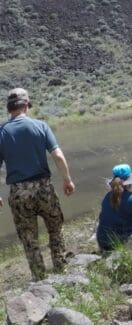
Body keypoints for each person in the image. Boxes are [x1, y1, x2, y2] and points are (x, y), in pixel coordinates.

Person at [0, 87, 75, 280]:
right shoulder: (40, 126)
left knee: (29, 239)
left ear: (9, 108)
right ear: (26, 105)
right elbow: (57, 155)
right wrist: (67, 180)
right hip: (44, 188)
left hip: (18, 192)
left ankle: (40, 280)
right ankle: (61, 269)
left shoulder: (2, 132)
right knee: (55, 229)